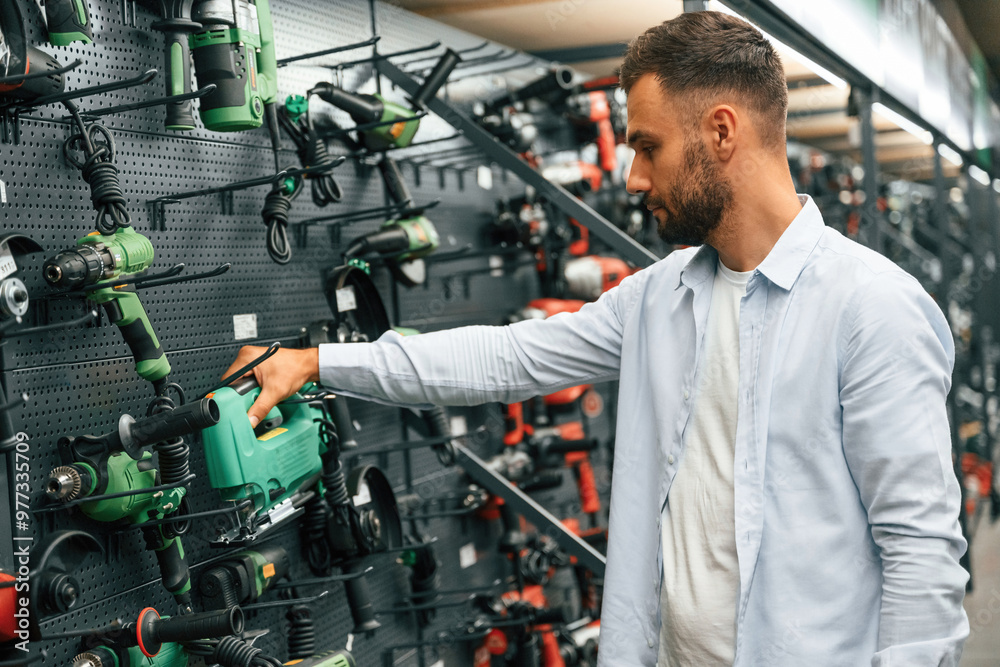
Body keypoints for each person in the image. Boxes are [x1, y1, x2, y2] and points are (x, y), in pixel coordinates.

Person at [223, 11, 969, 667]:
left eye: (648, 146)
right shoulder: (661, 298)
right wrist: (315, 362)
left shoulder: (872, 309)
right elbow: (504, 358)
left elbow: (920, 555)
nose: (634, 177)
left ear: (721, 131)